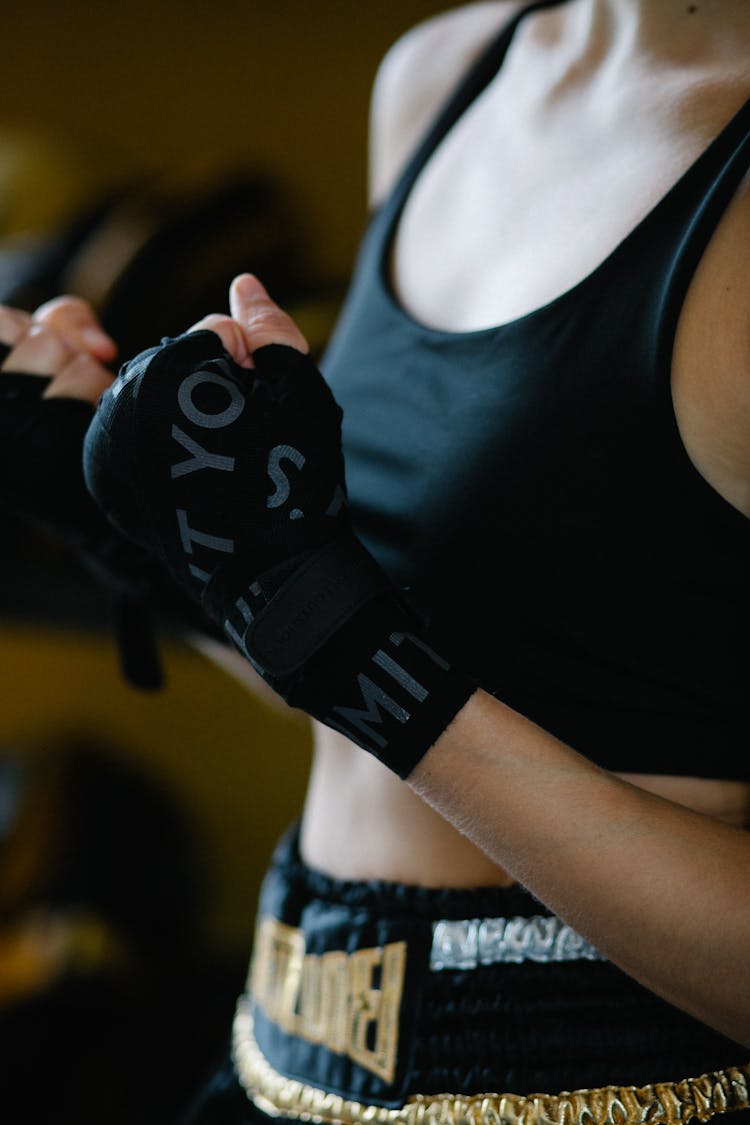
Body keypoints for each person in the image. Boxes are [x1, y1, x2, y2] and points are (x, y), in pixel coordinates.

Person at [2, 1, 749, 1123]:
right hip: (282, 1044)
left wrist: (330, 628)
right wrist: (147, 532)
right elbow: (392, 699)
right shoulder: (442, 76)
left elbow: (376, 674)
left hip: (605, 1080)